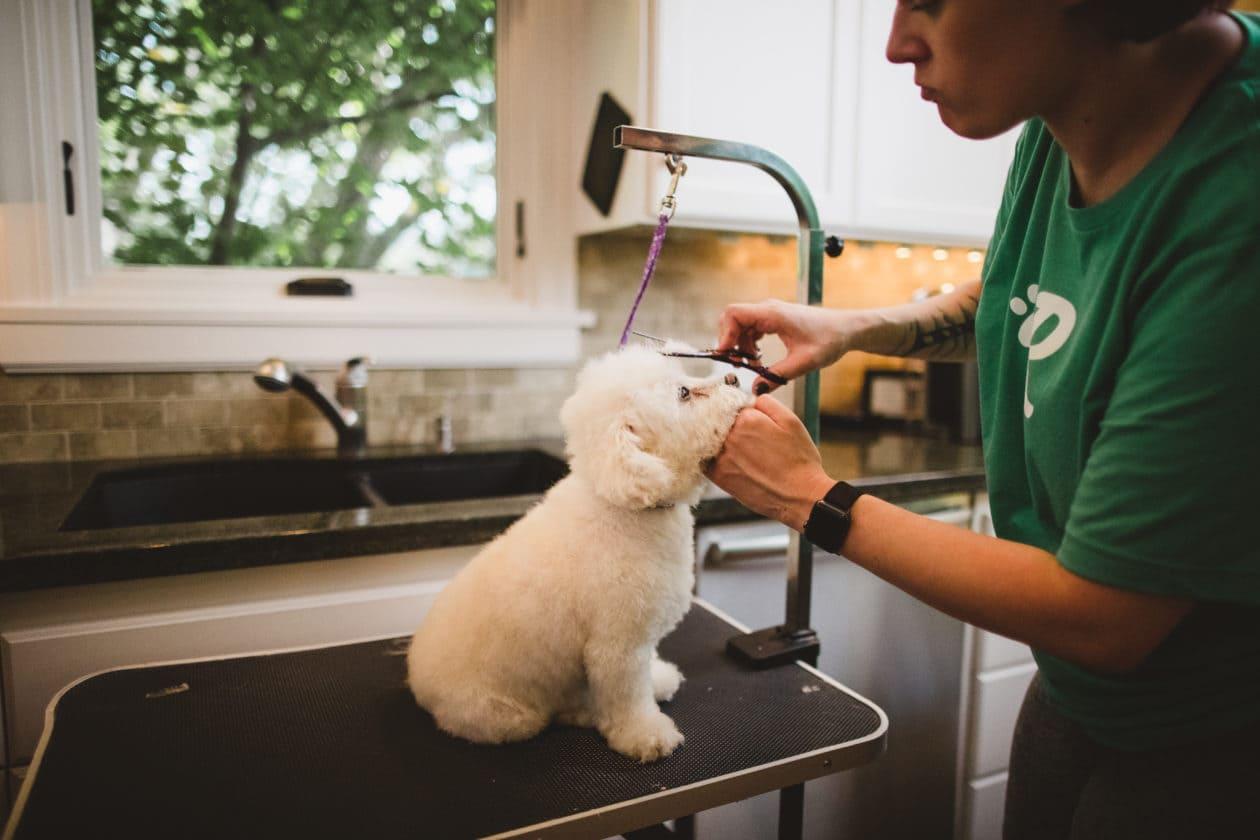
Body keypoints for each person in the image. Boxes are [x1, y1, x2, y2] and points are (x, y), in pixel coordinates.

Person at [705, 1, 1260, 837]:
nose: (896, 44)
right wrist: (856, 327)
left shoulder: (1237, 204)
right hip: (1072, 690)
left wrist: (808, 498)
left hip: (1207, 730)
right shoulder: (1062, 112)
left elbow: (1107, 615)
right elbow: (1027, 295)